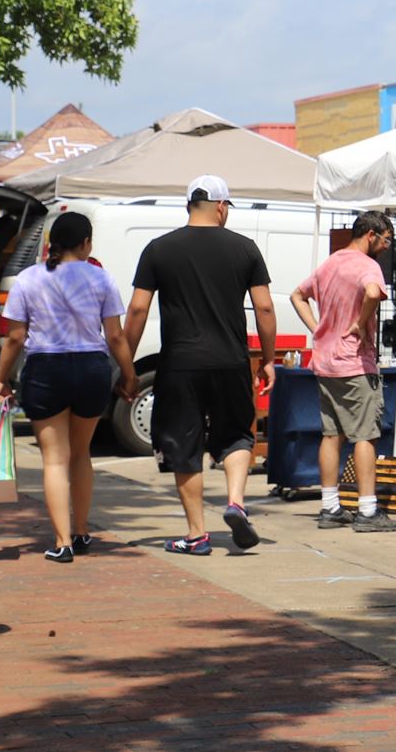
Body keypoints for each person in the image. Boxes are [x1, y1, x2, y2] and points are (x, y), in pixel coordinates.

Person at [125, 175, 277, 556]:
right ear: (222, 206)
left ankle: (196, 535)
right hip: (230, 361)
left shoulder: (158, 249)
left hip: (180, 365)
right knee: (237, 435)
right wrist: (269, 359)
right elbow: (265, 307)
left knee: (184, 446)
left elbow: (138, 308)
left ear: (189, 205)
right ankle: (237, 501)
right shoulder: (245, 249)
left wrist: (126, 364)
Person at [0, 212, 141, 562]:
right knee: (81, 453)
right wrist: (129, 374)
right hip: (91, 367)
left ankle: (61, 543)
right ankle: (83, 529)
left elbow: (14, 337)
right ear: (87, 243)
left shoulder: (29, 279)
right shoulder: (101, 278)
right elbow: (115, 335)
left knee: (54, 460)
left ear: (50, 244)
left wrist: (1, 378)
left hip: (46, 368)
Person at [290, 211, 396, 533]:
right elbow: (371, 293)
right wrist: (358, 322)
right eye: (386, 239)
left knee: (331, 433)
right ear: (371, 234)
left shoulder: (331, 262)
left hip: (325, 362)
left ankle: (330, 507)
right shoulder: (368, 266)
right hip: (354, 363)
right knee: (365, 435)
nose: (385, 246)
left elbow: (298, 295)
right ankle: (367, 510)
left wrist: (318, 329)